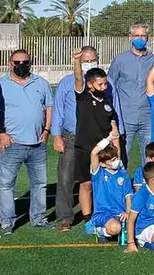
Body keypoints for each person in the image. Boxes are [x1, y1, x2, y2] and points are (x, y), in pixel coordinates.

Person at [53, 46, 119, 231]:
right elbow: (58, 109)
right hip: (75, 140)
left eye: (92, 60)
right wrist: (56, 135)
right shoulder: (78, 89)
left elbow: (114, 114)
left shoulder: (106, 90)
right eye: (85, 61)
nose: (89, 63)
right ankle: (66, 218)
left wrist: (116, 138)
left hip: (103, 143)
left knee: (102, 181)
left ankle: (103, 213)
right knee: (69, 180)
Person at [0, 50, 54, 233]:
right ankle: (7, 222)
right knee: (6, 185)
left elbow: (49, 108)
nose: (21, 65)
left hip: (37, 144)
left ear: (30, 63)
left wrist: (46, 131)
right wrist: (1, 134)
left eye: (25, 62)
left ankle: (38, 218)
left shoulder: (41, 83)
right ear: (9, 63)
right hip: (11, 144)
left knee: (40, 183)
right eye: (17, 61)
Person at [71, 50, 121, 235]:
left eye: (105, 82)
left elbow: (113, 126)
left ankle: (106, 213)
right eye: (100, 83)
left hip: (105, 149)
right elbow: (78, 77)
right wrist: (77, 61)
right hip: (85, 147)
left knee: (105, 183)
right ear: (90, 85)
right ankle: (88, 219)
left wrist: (116, 148)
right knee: (86, 184)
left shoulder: (107, 100)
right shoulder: (83, 95)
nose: (104, 85)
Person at [107, 23, 154, 167]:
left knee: (149, 156)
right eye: (136, 36)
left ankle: (146, 185)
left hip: (148, 116)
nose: (140, 39)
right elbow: (110, 86)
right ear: (130, 37)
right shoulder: (119, 60)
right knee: (121, 154)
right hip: (124, 116)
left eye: (143, 36)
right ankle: (121, 185)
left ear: (148, 38)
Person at [88, 132, 130, 243]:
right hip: (103, 214)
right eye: (112, 160)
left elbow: (128, 196)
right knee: (115, 228)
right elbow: (94, 153)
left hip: (121, 214)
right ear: (102, 164)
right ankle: (100, 230)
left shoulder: (123, 174)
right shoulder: (98, 174)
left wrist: (128, 212)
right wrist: (108, 139)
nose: (116, 161)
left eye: (116, 158)